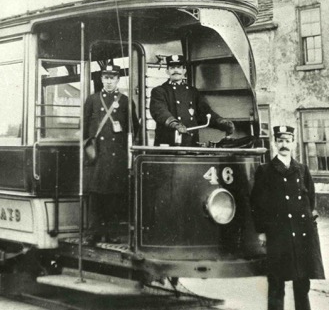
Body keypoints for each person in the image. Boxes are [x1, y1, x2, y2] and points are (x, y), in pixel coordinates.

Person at [251, 125, 325, 310]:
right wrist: (261, 231)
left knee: (302, 284)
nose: (284, 145)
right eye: (280, 141)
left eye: (287, 141)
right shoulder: (265, 170)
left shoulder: (302, 169)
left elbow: (310, 199)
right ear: (275, 143)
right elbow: (257, 204)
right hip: (278, 234)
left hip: (301, 234)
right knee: (276, 283)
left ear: (293, 143)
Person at [83, 64, 138, 243]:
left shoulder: (125, 101)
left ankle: (112, 233)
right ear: (101, 79)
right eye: (105, 78)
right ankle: (94, 233)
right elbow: (84, 127)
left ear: (117, 80)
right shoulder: (92, 100)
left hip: (116, 155)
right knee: (96, 194)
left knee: (114, 195)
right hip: (97, 155)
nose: (108, 81)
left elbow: (134, 127)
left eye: (112, 78)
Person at [149, 54, 234, 146]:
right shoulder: (160, 91)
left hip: (190, 142)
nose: (176, 70)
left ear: (184, 71)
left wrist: (220, 122)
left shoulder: (192, 91)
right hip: (168, 143)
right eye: (172, 68)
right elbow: (160, 111)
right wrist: (174, 124)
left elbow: (204, 112)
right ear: (167, 71)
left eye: (179, 67)